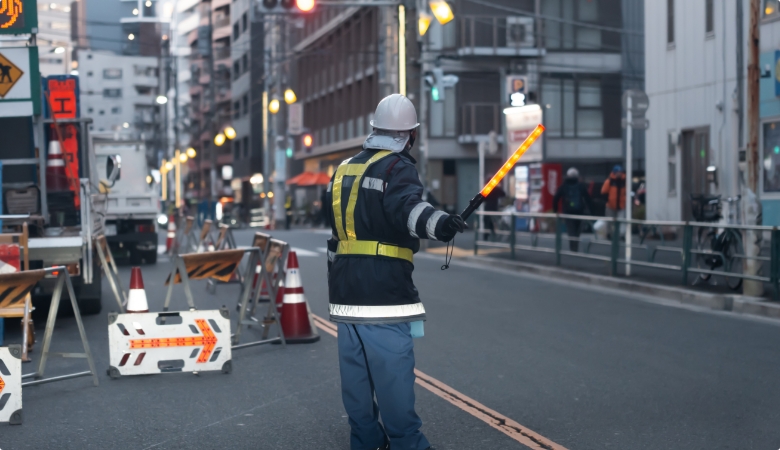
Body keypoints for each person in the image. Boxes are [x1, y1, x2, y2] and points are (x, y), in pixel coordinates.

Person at [325, 94, 465, 450]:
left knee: (356, 382)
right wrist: (443, 224)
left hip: (344, 294)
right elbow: (409, 209)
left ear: (374, 129)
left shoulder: (343, 169)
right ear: (409, 135)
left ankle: (367, 442)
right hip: (383, 292)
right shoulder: (396, 167)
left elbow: (336, 234)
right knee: (393, 379)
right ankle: (407, 444)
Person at [553, 167, 594, 251]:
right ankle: (576, 247)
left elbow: (556, 198)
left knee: (571, 231)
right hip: (579, 211)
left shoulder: (563, 186)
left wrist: (555, 210)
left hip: (568, 212)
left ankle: (572, 248)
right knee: (577, 231)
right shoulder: (581, 186)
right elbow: (588, 198)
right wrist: (591, 211)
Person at [601, 165, 627, 237]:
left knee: (621, 221)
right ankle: (609, 233)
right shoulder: (609, 181)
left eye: (620, 172)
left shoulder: (624, 181)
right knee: (609, 221)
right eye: (618, 172)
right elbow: (604, 192)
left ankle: (622, 235)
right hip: (611, 205)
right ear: (614, 172)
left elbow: (626, 192)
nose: (619, 173)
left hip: (621, 205)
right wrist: (607, 201)